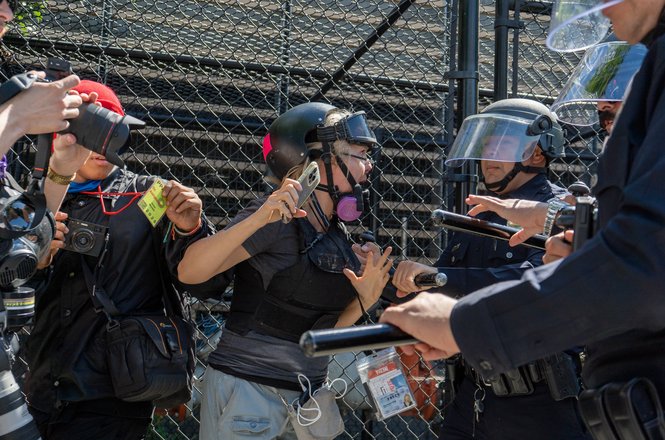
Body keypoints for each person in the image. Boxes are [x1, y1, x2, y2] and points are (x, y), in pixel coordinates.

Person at [380, 2, 665, 439]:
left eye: (617, 115)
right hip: (492, 396)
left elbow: (641, 264)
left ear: (536, 151)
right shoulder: (485, 207)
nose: (602, 9)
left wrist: (464, 319)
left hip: (544, 402)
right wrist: (562, 224)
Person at [177, 102, 393, 440]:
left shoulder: (338, 235)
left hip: (307, 401)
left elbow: (321, 335)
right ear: (314, 159)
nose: (368, 166)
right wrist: (259, 217)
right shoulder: (275, 216)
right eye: (358, 153)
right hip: (249, 395)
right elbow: (190, 271)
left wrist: (366, 297)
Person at [23, 80, 211, 440]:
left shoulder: (151, 194)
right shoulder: (37, 195)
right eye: (90, 132)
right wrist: (40, 257)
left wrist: (191, 229)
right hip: (38, 380)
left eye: (112, 132)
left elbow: (203, 282)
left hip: (115, 388)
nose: (101, 145)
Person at [391, 98, 589, 440]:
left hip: (543, 401)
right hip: (476, 389)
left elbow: (529, 285)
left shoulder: (559, 213)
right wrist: (391, 277)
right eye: (486, 143)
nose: (489, 154)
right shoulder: (477, 213)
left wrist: (435, 280)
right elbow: (441, 286)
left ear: (537, 153)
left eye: (502, 142)